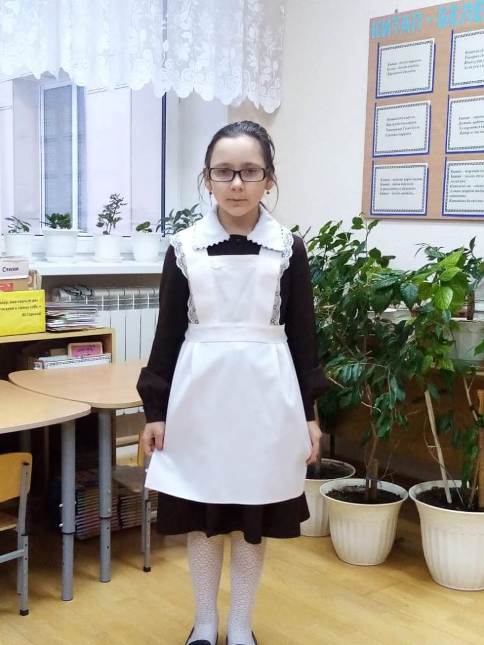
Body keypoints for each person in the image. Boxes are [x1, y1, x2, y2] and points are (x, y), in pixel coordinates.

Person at [137, 120, 328, 645]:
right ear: (207, 178)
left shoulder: (287, 248)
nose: (237, 183)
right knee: (203, 512)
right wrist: (155, 411)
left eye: (249, 171)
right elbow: (167, 333)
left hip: (268, 400)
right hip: (199, 400)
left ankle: (241, 625)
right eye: (224, 172)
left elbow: (304, 337)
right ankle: (205, 623)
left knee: (252, 515)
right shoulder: (184, 248)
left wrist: (310, 416)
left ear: (269, 178)